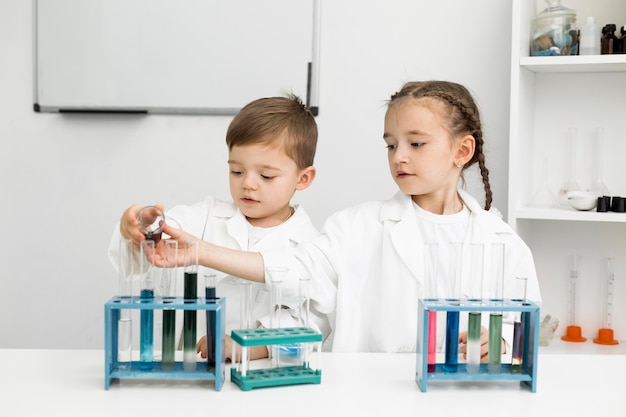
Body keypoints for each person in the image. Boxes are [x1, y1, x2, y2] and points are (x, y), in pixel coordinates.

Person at [151, 80, 542, 357]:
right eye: (390, 145)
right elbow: (292, 268)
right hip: (361, 397)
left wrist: (503, 341)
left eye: (416, 143)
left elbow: (524, 327)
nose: (398, 156)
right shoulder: (355, 227)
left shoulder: (502, 244)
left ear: (463, 150)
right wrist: (200, 251)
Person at [107, 94, 329, 361]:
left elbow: (312, 322)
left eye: (266, 175)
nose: (248, 184)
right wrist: (138, 228)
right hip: (193, 369)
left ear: (303, 178)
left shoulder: (312, 246)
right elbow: (162, 234)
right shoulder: (206, 216)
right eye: (236, 171)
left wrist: (248, 347)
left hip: (265, 379)